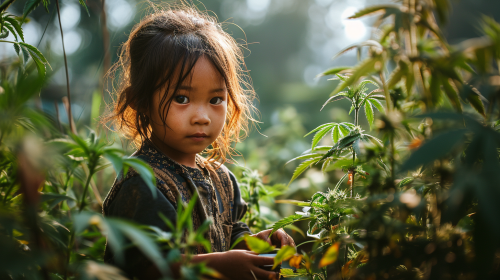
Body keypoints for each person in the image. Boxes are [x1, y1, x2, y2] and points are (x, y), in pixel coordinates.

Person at [102, 5, 295, 280]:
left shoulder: (222, 179)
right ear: (141, 101)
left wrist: (259, 244)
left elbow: (232, 236)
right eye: (182, 98)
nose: (202, 117)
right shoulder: (143, 183)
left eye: (216, 99)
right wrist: (223, 266)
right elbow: (148, 267)